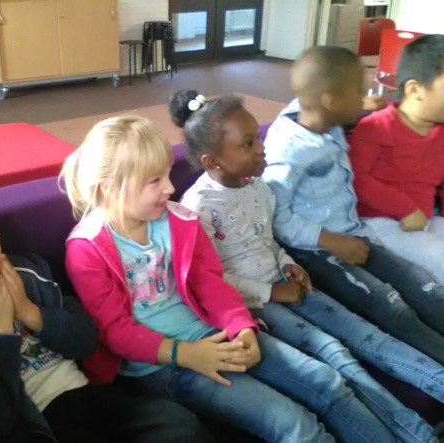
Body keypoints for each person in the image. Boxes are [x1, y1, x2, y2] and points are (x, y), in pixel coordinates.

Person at [61, 114, 409, 443]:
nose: (169, 187)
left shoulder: (177, 220)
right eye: (155, 181)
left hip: (217, 334)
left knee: (327, 382)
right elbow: (114, 330)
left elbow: (210, 284)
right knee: (292, 422)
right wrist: (188, 354)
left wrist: (242, 326)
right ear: (109, 188)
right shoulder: (87, 248)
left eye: (166, 175)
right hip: (165, 364)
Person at [173, 89, 443, 442]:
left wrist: (287, 263)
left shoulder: (258, 187)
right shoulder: (198, 208)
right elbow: (211, 279)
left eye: (257, 137)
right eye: (248, 144)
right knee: (337, 359)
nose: (261, 148)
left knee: (368, 337)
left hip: (286, 284)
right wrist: (272, 292)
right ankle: (418, 435)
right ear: (212, 162)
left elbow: (267, 239)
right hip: (253, 304)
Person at [0, 179, 217, 443]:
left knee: (182, 427)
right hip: (38, 423)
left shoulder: (28, 272)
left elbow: (85, 342)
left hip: (89, 394)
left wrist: (29, 311)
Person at [262, 45, 444, 368]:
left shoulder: (321, 115)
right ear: (331, 101)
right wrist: (331, 241)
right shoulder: (290, 152)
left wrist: (359, 105)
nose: (366, 98)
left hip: (354, 233)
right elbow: (277, 216)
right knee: (392, 306)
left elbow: (318, 94)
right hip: (318, 249)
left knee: (423, 286)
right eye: (359, 92)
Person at [348, 34, 444, 285]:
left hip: (424, 218)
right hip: (380, 222)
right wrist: (405, 209)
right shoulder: (376, 127)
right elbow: (356, 178)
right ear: (414, 90)